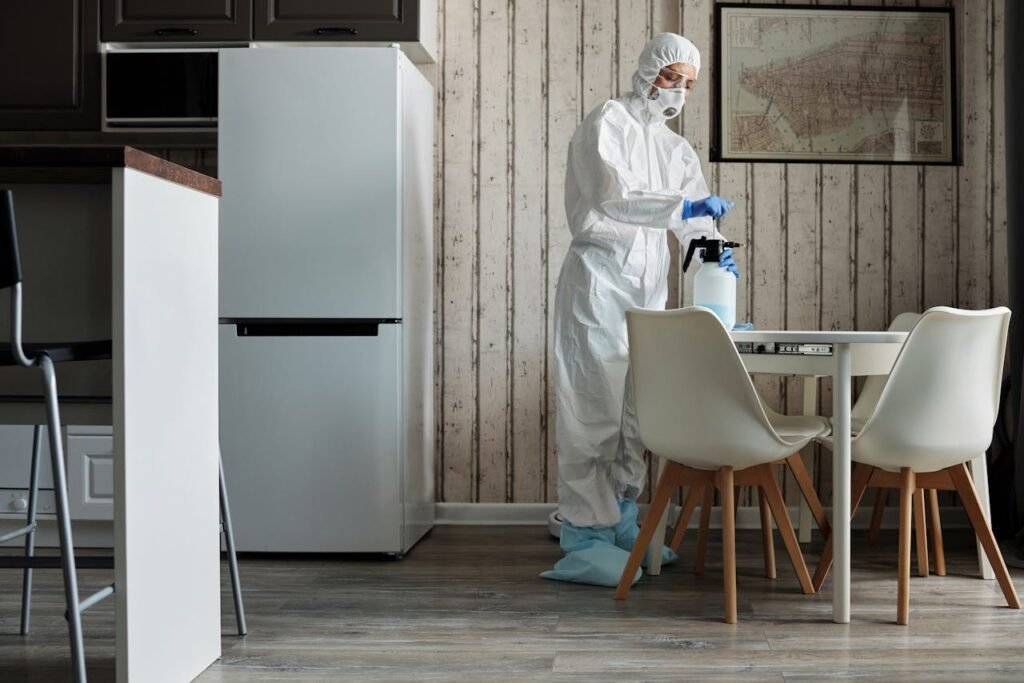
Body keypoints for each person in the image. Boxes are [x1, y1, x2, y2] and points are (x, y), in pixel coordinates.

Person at [541, 33, 739, 587]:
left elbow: (695, 222)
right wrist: (685, 206)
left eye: (689, 85)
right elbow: (612, 196)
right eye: (672, 77)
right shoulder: (610, 122)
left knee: (634, 414)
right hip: (600, 284)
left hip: (650, 291)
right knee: (592, 410)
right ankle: (584, 534)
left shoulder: (678, 151)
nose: (677, 92)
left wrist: (714, 250)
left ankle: (624, 521)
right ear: (648, 70)